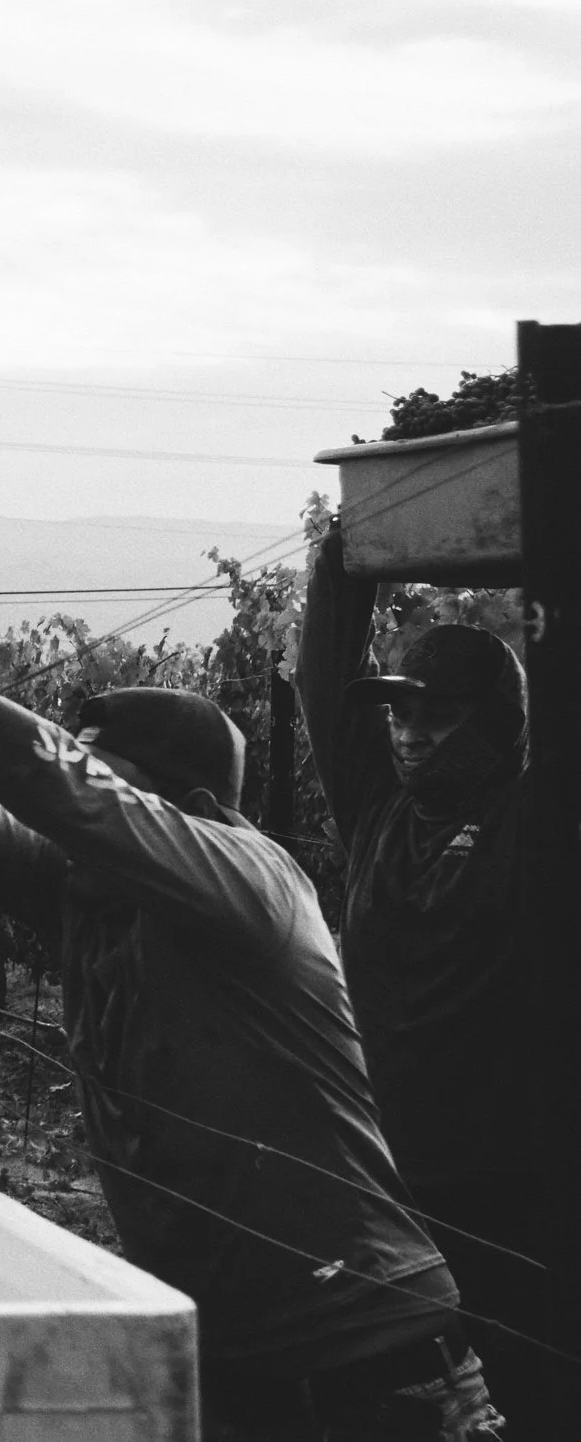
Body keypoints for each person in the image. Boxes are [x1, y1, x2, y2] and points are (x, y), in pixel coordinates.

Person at [0, 610, 504, 1440]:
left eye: (106, 784)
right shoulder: (85, 891)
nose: (67, 822)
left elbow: (78, 803)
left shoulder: (252, 884)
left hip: (370, 1360)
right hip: (217, 1356)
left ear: (186, 809)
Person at [298, 519, 570, 1430]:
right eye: (400, 715)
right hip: (385, 1170)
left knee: (525, 1374)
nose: (410, 737)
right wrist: (343, 559)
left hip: (505, 1178)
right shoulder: (378, 810)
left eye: (437, 716)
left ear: (495, 725)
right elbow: (325, 690)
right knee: (398, 1393)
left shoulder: (534, 824)